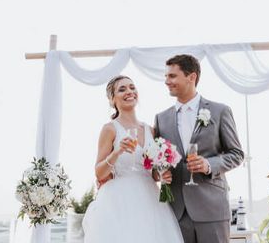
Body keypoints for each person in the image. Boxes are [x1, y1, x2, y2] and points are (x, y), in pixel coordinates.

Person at [154, 54, 245, 243]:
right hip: (175, 212)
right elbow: (156, 163)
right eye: (166, 76)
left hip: (211, 207)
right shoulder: (161, 119)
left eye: (172, 76)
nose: (166, 81)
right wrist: (160, 173)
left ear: (191, 77)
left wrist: (208, 164)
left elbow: (237, 154)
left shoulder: (220, 111)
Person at [82, 75, 184, 243]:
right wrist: (117, 152)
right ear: (112, 99)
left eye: (132, 87)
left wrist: (161, 175)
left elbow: (152, 173)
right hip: (120, 200)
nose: (129, 91)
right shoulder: (110, 129)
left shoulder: (151, 130)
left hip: (150, 199)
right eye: (122, 89)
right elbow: (99, 173)